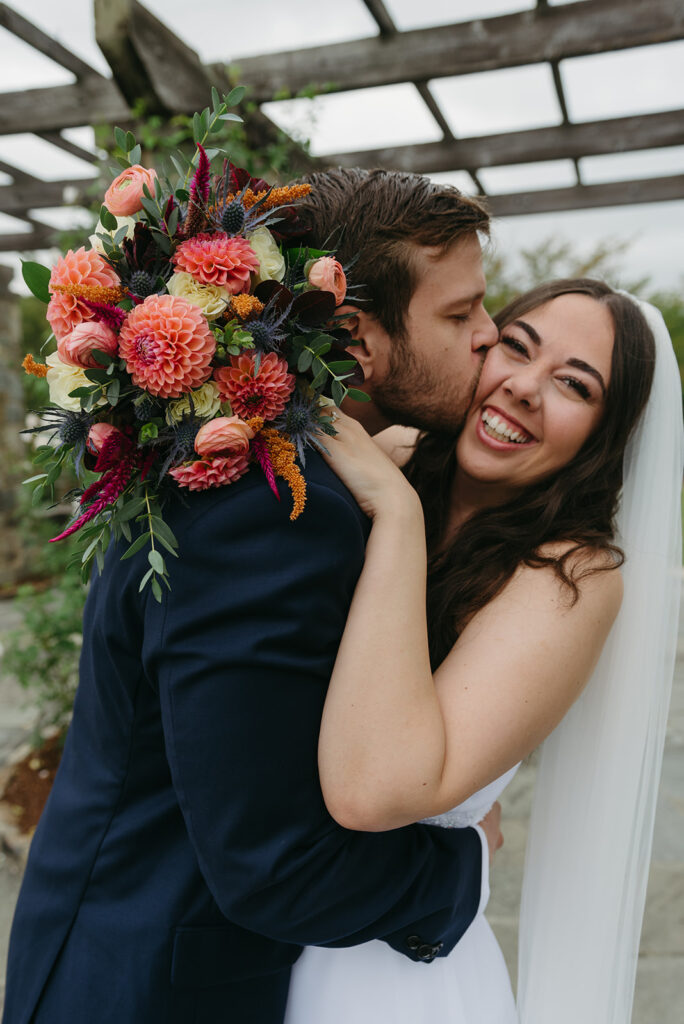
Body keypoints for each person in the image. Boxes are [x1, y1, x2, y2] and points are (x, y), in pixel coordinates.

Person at [3, 171, 503, 1024]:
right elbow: (277, 868)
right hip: (150, 986)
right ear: (353, 335)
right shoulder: (268, 510)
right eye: (461, 316)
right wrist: (467, 866)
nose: (491, 337)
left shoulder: (228, 459)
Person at [284, 279, 683, 1023]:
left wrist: (395, 512)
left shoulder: (572, 575)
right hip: (253, 939)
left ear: (605, 434)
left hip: (383, 978)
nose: (525, 388)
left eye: (573, 384)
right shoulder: (389, 458)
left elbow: (374, 790)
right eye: (516, 347)